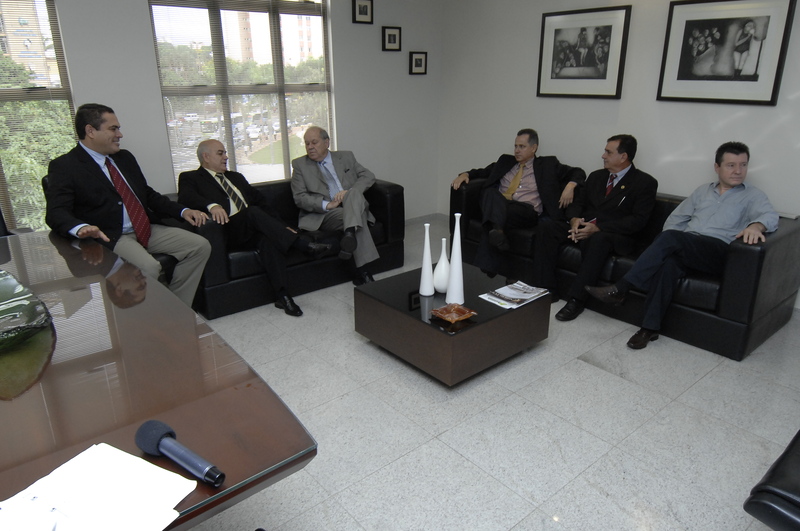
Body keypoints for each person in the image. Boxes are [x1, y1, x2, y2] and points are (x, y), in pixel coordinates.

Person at [586, 141, 778, 349]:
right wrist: (673, 243)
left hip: (718, 251)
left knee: (672, 239)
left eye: (743, 165)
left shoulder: (753, 195)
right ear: (717, 167)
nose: (738, 171)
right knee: (669, 263)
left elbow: (770, 216)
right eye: (731, 165)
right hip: (688, 247)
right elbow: (676, 219)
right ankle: (649, 328)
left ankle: (622, 287)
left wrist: (756, 225)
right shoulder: (703, 191)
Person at [45, 103, 211, 307]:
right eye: (113, 129)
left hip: (144, 227)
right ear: (90, 131)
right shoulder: (65, 166)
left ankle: (176, 307)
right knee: (148, 267)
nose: (120, 134)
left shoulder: (124, 158)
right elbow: (55, 212)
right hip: (112, 235)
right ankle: (154, 313)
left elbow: (147, 194)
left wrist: (183, 210)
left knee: (199, 246)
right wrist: (81, 228)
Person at [178, 139, 331, 317]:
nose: (226, 157)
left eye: (225, 153)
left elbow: (262, 203)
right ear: (206, 156)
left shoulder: (236, 177)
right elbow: (186, 198)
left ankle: (283, 296)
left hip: (252, 229)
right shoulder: (190, 178)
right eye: (221, 153)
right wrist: (212, 206)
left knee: (269, 240)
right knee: (252, 211)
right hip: (227, 231)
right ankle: (302, 245)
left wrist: (283, 227)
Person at [532, 134, 658, 321]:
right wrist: (574, 219)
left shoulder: (644, 183)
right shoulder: (596, 176)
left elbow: (638, 221)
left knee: (597, 239)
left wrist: (598, 228)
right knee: (548, 227)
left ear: (623, 157)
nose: (603, 156)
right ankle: (546, 289)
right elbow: (578, 203)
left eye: (608, 152)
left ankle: (576, 300)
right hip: (584, 226)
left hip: (614, 235)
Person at [451, 128, 586, 277]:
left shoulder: (548, 164)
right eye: (515, 146)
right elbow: (483, 172)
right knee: (489, 193)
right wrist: (465, 174)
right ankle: (497, 233)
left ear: (534, 148)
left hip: (525, 211)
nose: (517, 150)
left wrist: (570, 185)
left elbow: (578, 172)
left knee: (493, 214)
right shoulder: (505, 161)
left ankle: (493, 240)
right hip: (501, 206)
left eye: (522, 147)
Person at [291, 126, 378, 285]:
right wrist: (327, 205)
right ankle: (363, 271)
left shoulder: (346, 157)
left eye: (314, 142)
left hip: (352, 205)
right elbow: (300, 198)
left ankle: (349, 236)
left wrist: (349, 192)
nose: (310, 147)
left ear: (327, 142)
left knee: (353, 196)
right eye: (307, 143)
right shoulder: (300, 165)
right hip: (326, 214)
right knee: (356, 218)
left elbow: (368, 176)